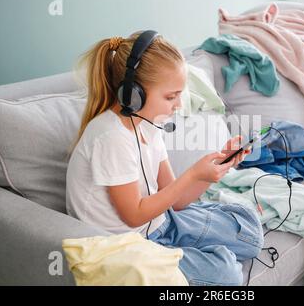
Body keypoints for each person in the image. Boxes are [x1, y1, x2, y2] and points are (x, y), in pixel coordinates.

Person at [66, 30, 264, 286]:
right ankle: (205, 255)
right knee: (228, 275)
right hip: (133, 243)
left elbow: (177, 200)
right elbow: (134, 216)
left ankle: (203, 245)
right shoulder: (110, 138)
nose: (179, 105)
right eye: (171, 96)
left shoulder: (149, 124)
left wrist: (216, 167)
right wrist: (193, 174)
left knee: (251, 236)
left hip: (163, 221)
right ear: (133, 95)